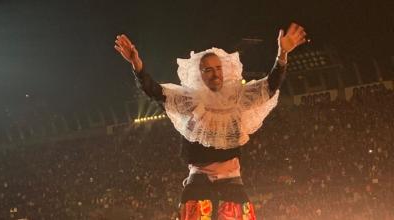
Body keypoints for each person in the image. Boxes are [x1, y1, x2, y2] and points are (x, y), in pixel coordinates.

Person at [114, 22, 307, 219]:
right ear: (200, 74)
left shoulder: (237, 97)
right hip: (199, 182)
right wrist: (136, 64)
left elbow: (269, 87)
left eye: (218, 68)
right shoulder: (190, 100)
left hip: (232, 182)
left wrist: (282, 55)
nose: (215, 73)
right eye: (208, 70)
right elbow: (154, 91)